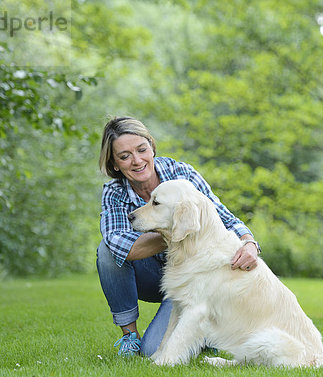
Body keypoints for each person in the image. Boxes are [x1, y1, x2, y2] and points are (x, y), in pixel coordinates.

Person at [96, 117, 261, 357]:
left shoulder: (181, 174)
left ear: (152, 147)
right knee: (106, 252)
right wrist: (182, 229)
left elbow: (225, 218)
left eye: (142, 150)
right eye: (124, 156)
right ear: (114, 163)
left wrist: (249, 243)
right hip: (152, 276)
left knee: (153, 350)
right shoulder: (114, 192)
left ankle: (205, 332)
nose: (137, 160)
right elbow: (121, 247)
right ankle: (130, 337)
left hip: (192, 277)